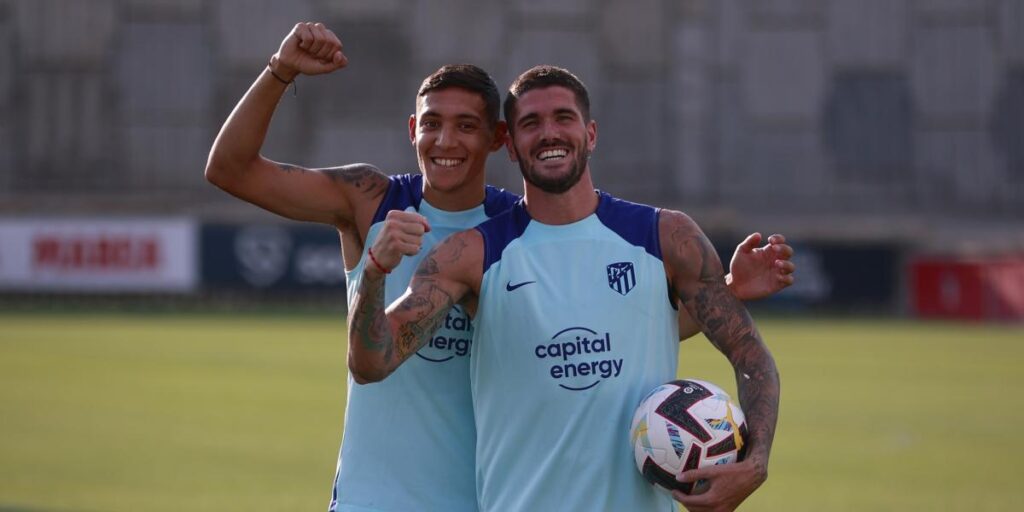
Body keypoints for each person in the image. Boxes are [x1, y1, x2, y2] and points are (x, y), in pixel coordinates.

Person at [207, 22, 791, 512]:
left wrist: (729, 290)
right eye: (431, 122)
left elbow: (591, 327)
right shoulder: (383, 205)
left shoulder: (521, 233)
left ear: (495, 141)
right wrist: (280, 69)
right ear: (413, 131)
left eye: (466, 126)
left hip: (482, 496)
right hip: (379, 497)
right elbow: (231, 170)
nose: (445, 139)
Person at [347, 65, 780, 512]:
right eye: (531, 123)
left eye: (563, 118)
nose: (549, 133)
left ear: (590, 134)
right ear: (511, 146)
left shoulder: (666, 237)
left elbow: (749, 354)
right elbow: (371, 363)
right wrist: (375, 273)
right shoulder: (470, 255)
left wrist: (756, 461)